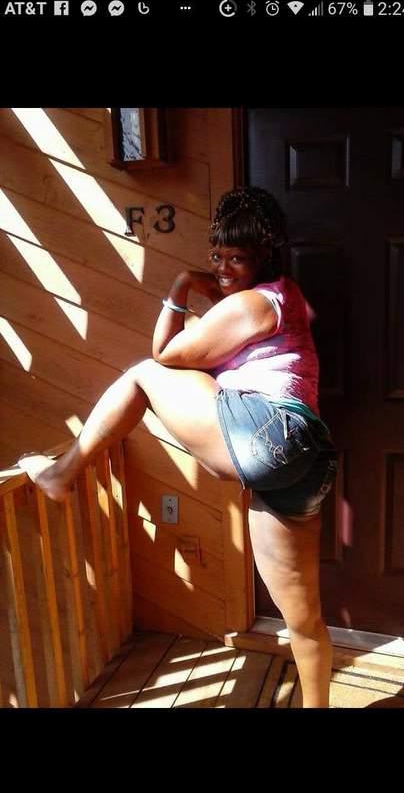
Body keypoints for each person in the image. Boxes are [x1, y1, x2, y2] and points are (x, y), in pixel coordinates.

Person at [19, 186, 337, 708]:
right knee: (303, 619)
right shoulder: (285, 296)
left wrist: (183, 283)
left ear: (262, 256)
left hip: (267, 433)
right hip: (306, 459)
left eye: (237, 257)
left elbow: (165, 352)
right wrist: (212, 295)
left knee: (143, 374)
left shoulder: (253, 304)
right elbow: (213, 337)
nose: (224, 267)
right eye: (217, 255)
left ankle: (61, 474)